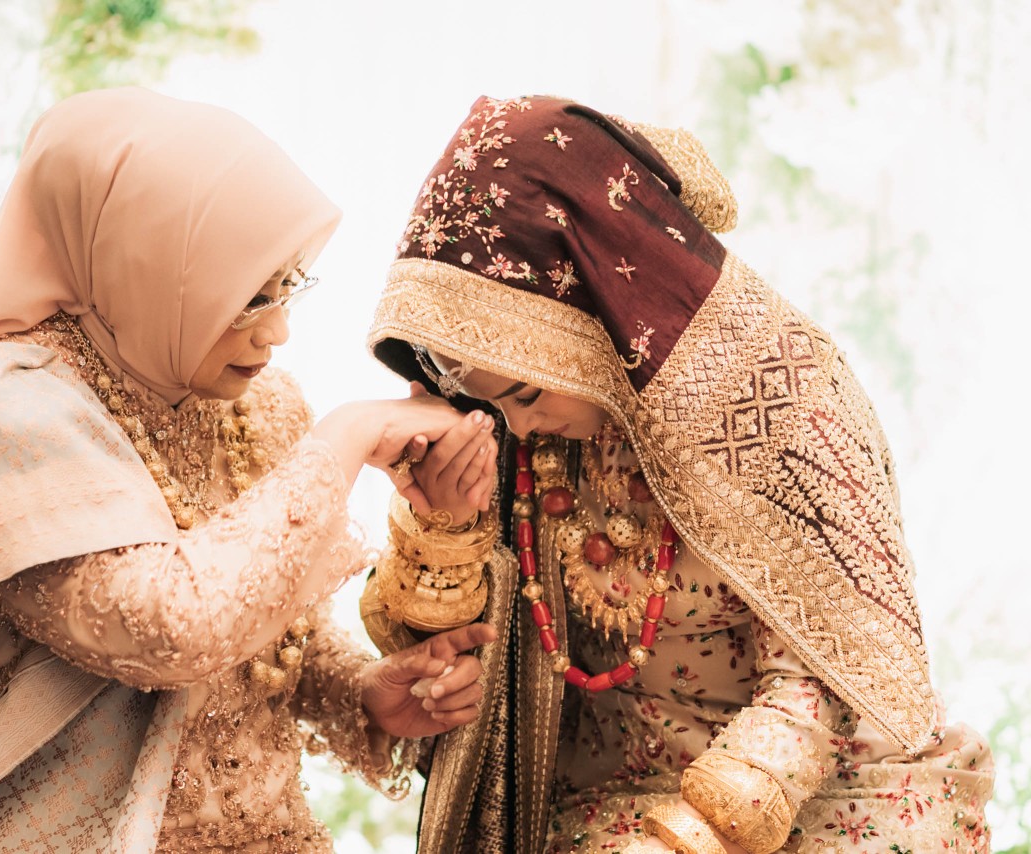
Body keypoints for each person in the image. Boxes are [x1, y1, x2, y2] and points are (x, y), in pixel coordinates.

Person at [0, 87, 497, 854]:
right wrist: (347, 439)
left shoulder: (259, 407)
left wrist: (360, 692)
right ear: (141, 268)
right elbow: (168, 630)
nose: (278, 331)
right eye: (248, 297)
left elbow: (274, 635)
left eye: (288, 286)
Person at [362, 95, 994, 853]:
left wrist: (692, 832)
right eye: (493, 402)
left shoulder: (779, 397)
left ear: (594, 317)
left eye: (525, 395)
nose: (518, 427)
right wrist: (443, 523)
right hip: (602, 804)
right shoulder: (520, 430)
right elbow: (468, 668)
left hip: (815, 793)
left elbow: (826, 674)